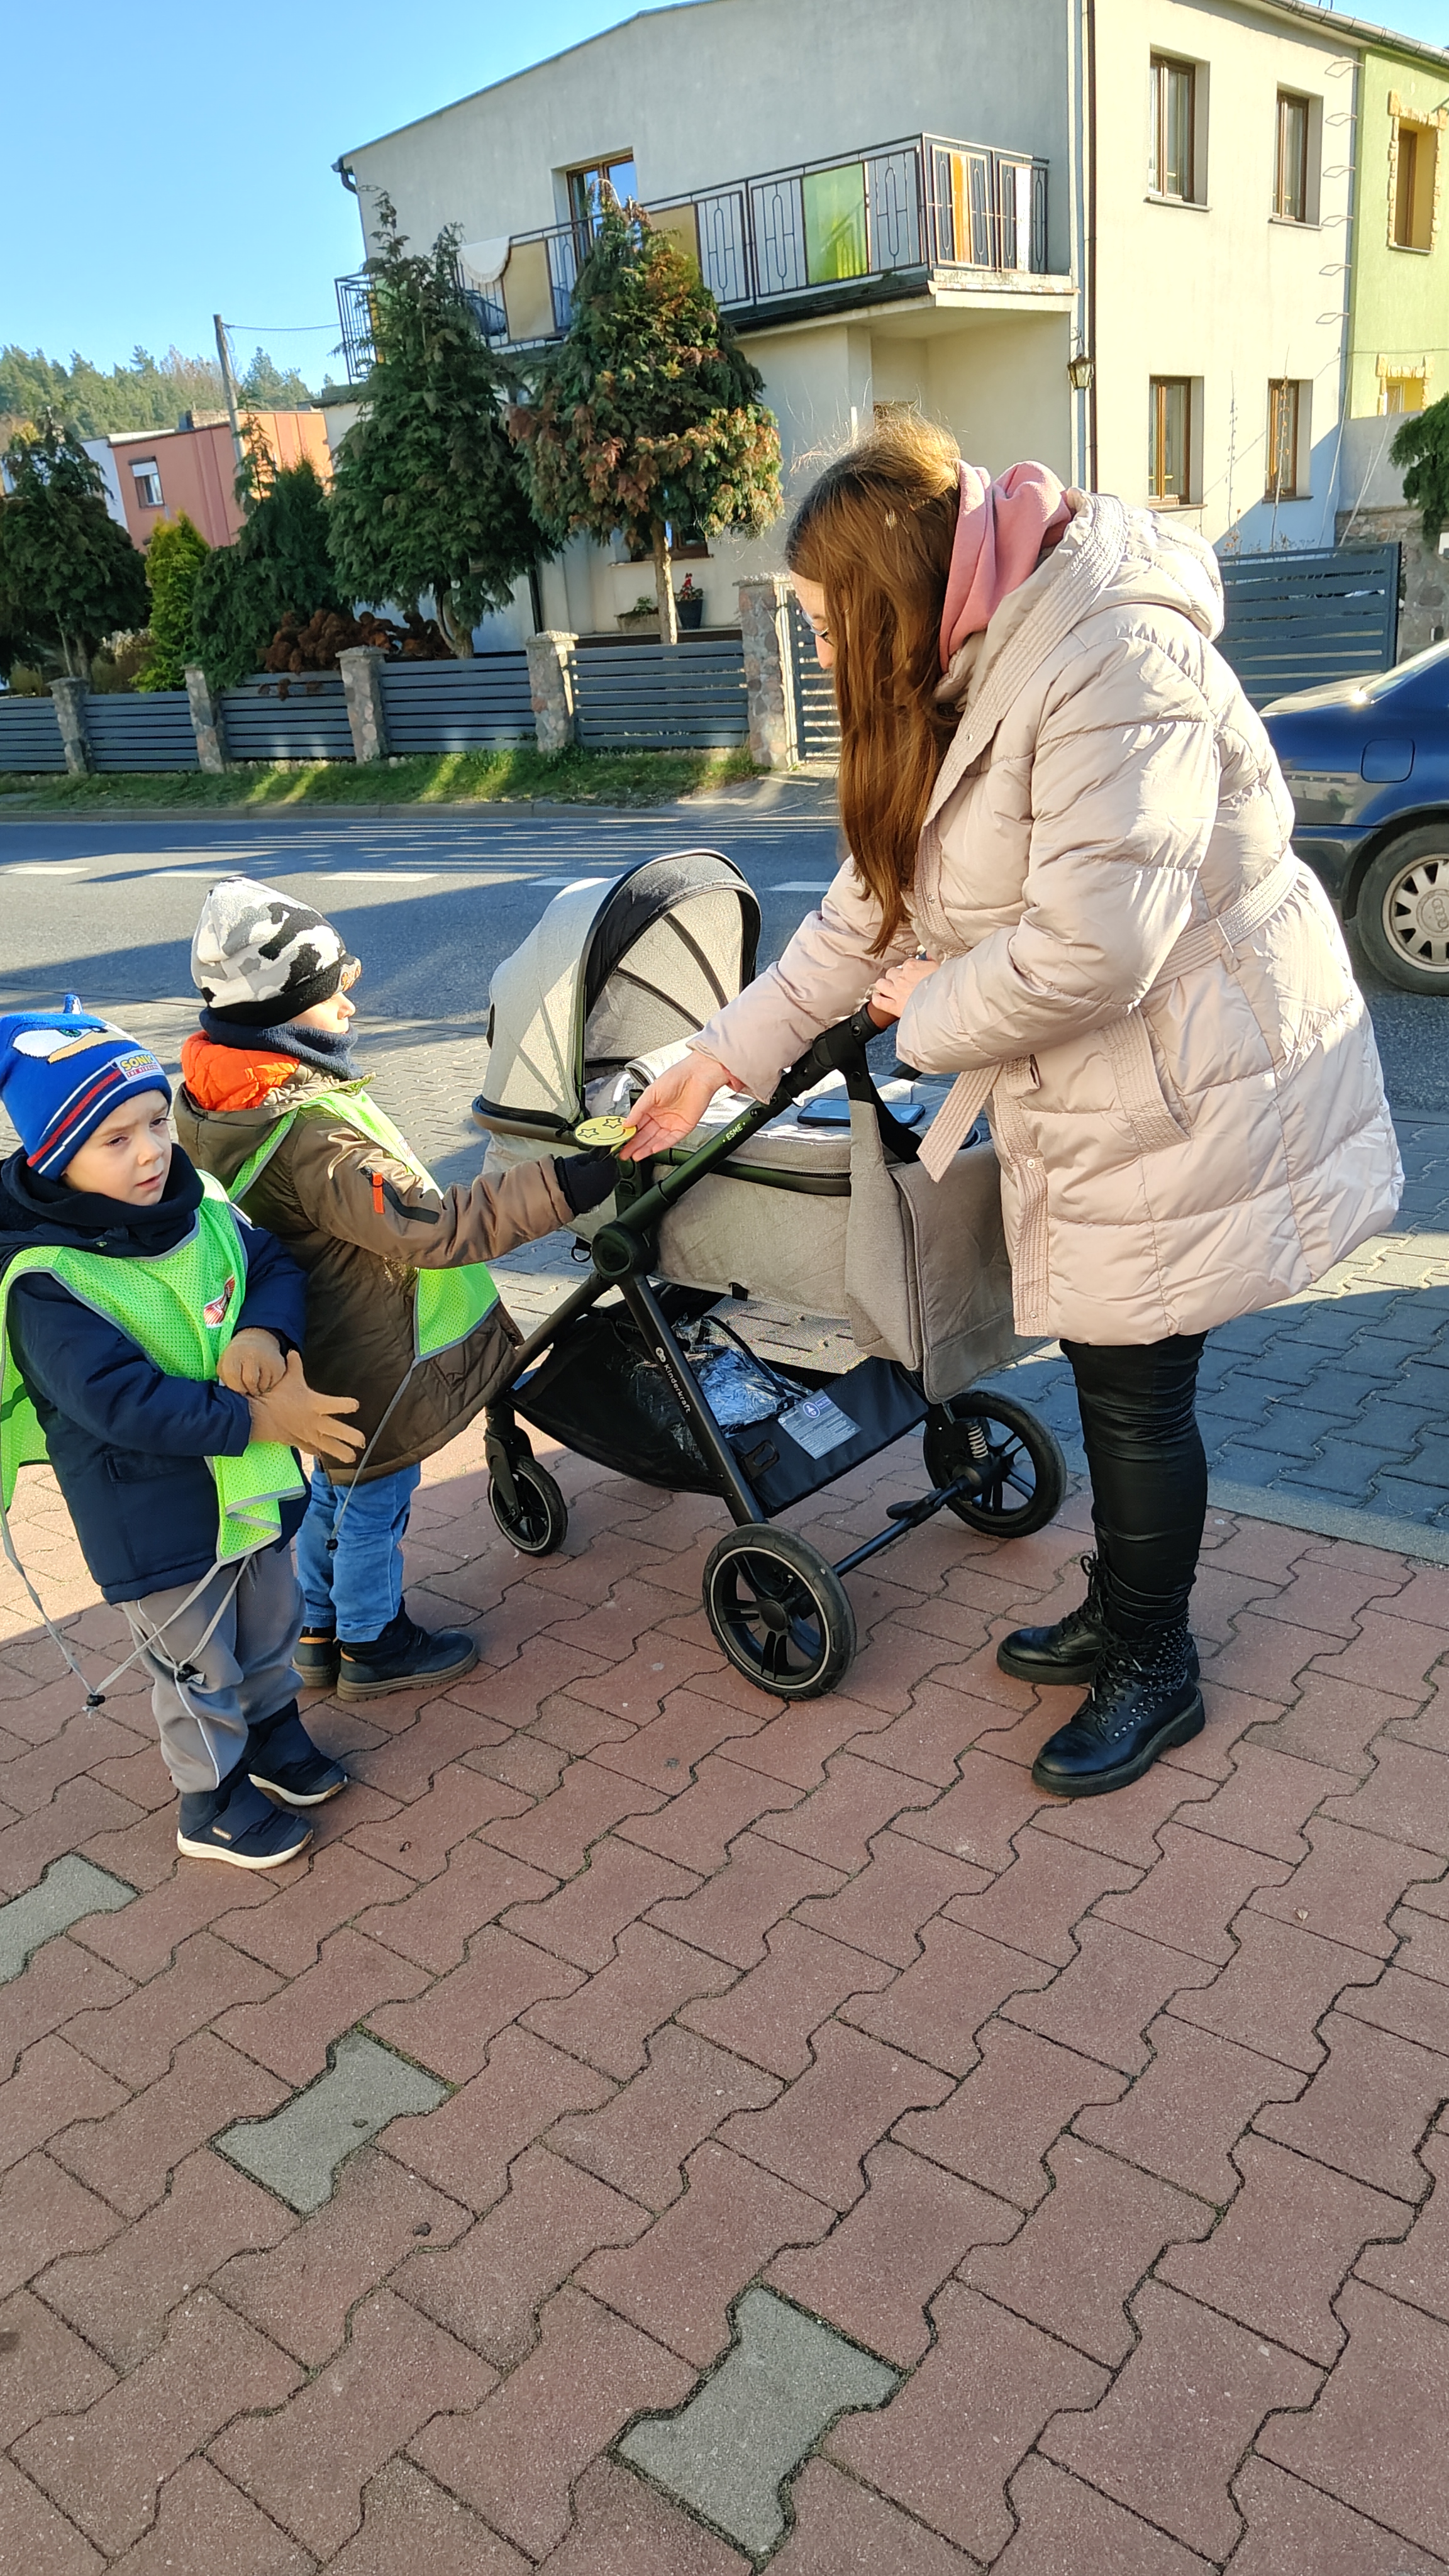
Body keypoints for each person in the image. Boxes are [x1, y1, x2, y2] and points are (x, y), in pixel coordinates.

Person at [626, 418, 1401, 1798]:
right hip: (1104, 1084)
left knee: (1135, 1385)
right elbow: (862, 915)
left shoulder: (1115, 657)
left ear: (893, 597)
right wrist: (716, 1057)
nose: (819, 648)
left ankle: (1155, 1664)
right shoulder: (963, 666)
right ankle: (1130, 1609)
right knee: (1116, 1374)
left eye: (825, 622)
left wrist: (926, 1008)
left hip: (1188, 1078)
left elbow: (1095, 949)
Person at [175, 877, 617, 1701]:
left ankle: (317, 1631)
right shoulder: (313, 1135)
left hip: (312, 1340)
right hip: (369, 1351)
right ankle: (374, 1642)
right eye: (329, 987)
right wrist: (568, 1185)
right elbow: (435, 1228)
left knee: (339, 1489)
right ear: (282, 1012)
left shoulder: (216, 1095)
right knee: (375, 1500)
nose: (352, 994)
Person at [0, 1002, 364, 1868]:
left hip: (250, 1483)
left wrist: (264, 1332)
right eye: (115, 1140)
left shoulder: (197, 1203)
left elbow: (267, 1262)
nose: (151, 1152)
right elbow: (118, 1402)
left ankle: (274, 1737)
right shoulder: (44, 1279)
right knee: (198, 1661)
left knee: (270, 1622)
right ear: (54, 1154)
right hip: (152, 1514)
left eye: (158, 1122)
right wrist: (257, 1417)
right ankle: (211, 1799)